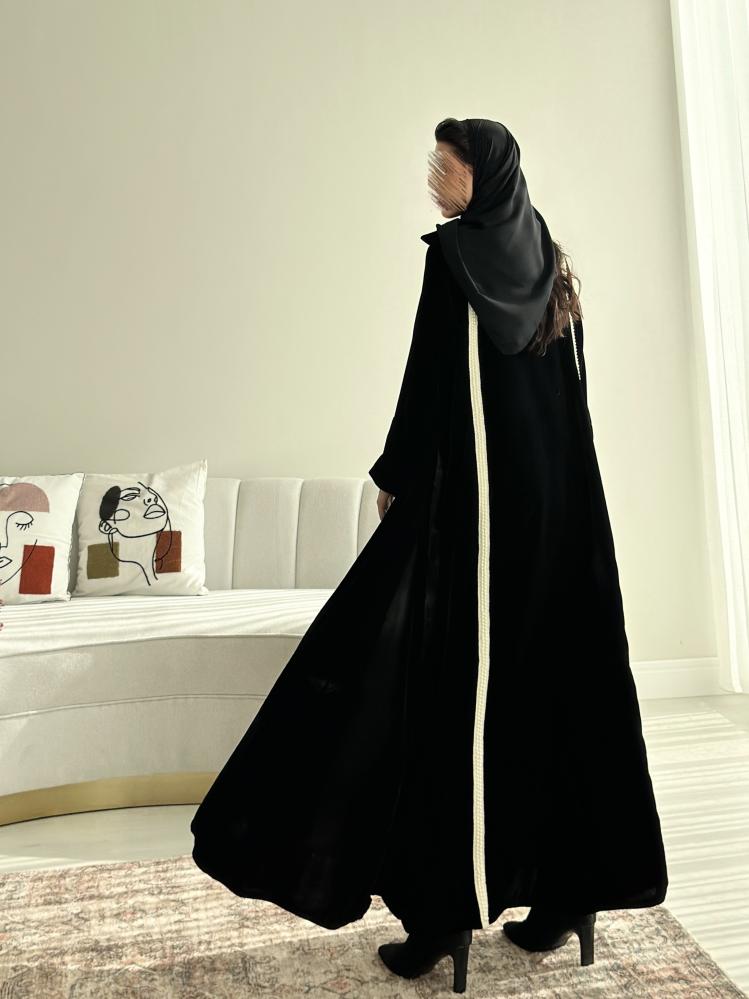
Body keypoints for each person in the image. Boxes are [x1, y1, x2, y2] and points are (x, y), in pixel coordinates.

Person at [190, 118, 668, 995]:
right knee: (553, 690)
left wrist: (395, 477)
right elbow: (571, 395)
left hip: (476, 518)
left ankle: (444, 911)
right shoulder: (544, 256)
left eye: (442, 165)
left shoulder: (453, 259)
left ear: (478, 177)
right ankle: (566, 893)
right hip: (557, 519)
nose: (431, 177)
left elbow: (430, 376)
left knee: (447, 699)